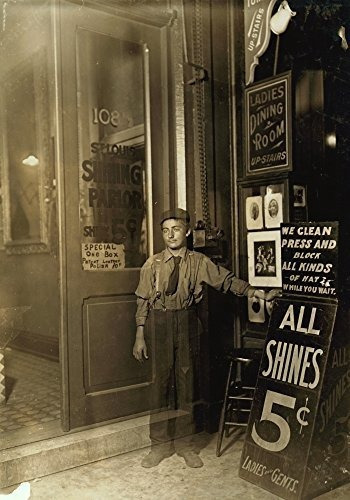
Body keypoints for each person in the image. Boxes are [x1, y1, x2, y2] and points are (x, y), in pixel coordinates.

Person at [133, 208, 280, 469]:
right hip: (159, 323)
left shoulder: (199, 262)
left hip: (187, 322)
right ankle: (158, 446)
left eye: (176, 229)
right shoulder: (152, 264)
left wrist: (257, 293)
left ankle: (186, 446)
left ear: (187, 231)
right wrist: (140, 335)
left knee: (188, 384)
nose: (171, 235)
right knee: (160, 386)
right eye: (165, 231)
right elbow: (142, 301)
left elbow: (227, 282)